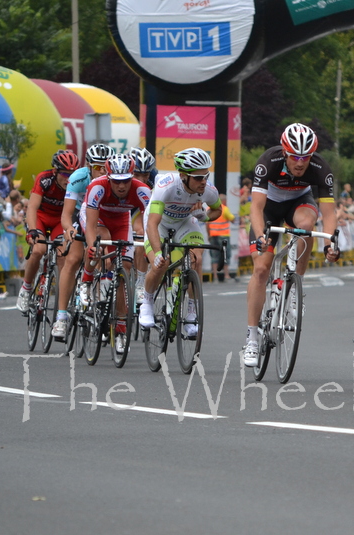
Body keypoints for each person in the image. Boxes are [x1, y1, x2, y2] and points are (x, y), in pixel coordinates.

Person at [242, 123, 340, 367]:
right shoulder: (269, 161)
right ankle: (252, 338)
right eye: (295, 156)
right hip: (268, 210)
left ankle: (295, 286)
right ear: (285, 152)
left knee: (306, 225)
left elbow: (328, 214)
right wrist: (260, 235)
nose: (300, 162)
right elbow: (256, 207)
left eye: (305, 157)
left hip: (299, 203)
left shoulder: (320, 168)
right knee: (262, 269)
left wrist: (330, 243)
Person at [138, 147, 223, 338]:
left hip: (185, 222)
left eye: (206, 176)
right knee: (160, 265)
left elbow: (218, 211)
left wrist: (204, 216)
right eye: (198, 178)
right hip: (159, 224)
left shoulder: (208, 190)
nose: (203, 181)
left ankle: (192, 313)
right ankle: (147, 302)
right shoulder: (166, 186)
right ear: (184, 176)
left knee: (195, 260)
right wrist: (158, 253)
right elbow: (152, 223)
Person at [73, 154, 151, 352]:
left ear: (132, 177)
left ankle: (121, 330)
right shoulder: (97, 187)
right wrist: (92, 247)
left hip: (121, 220)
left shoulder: (142, 190)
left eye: (126, 181)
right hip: (97, 218)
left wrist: (151, 250)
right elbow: (90, 225)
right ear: (108, 178)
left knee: (124, 269)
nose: (122, 186)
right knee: (98, 244)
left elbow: (150, 226)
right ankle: (87, 280)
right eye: (116, 182)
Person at [51, 143, 115, 339]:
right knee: (73, 258)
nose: (102, 171)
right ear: (88, 167)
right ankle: (61, 318)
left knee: (107, 258)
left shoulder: (115, 180)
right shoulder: (78, 178)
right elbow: (66, 214)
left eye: (105, 166)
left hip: (104, 217)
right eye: (97, 167)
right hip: (80, 215)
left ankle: (100, 305)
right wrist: (69, 228)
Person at [16, 150, 80, 312]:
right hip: (41, 217)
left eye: (72, 175)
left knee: (62, 256)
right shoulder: (44, 179)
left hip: (61, 220)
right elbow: (32, 207)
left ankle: (62, 301)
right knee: (38, 250)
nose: (69, 179)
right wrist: (32, 230)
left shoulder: (77, 183)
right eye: (65, 174)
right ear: (55, 171)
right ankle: (26, 288)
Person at [128, 146, 158, 303]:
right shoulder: (120, 174)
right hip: (123, 205)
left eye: (145, 175)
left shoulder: (154, 177)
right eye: (136, 174)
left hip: (142, 205)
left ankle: (140, 282)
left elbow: (152, 209)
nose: (141, 179)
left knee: (141, 233)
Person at [207, 194, 235, 282]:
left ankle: (215, 277)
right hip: (224, 236)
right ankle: (226, 275)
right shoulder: (224, 209)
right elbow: (232, 219)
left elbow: (207, 224)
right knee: (225, 254)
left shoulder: (209, 209)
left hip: (213, 235)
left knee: (214, 256)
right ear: (223, 201)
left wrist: (209, 234)